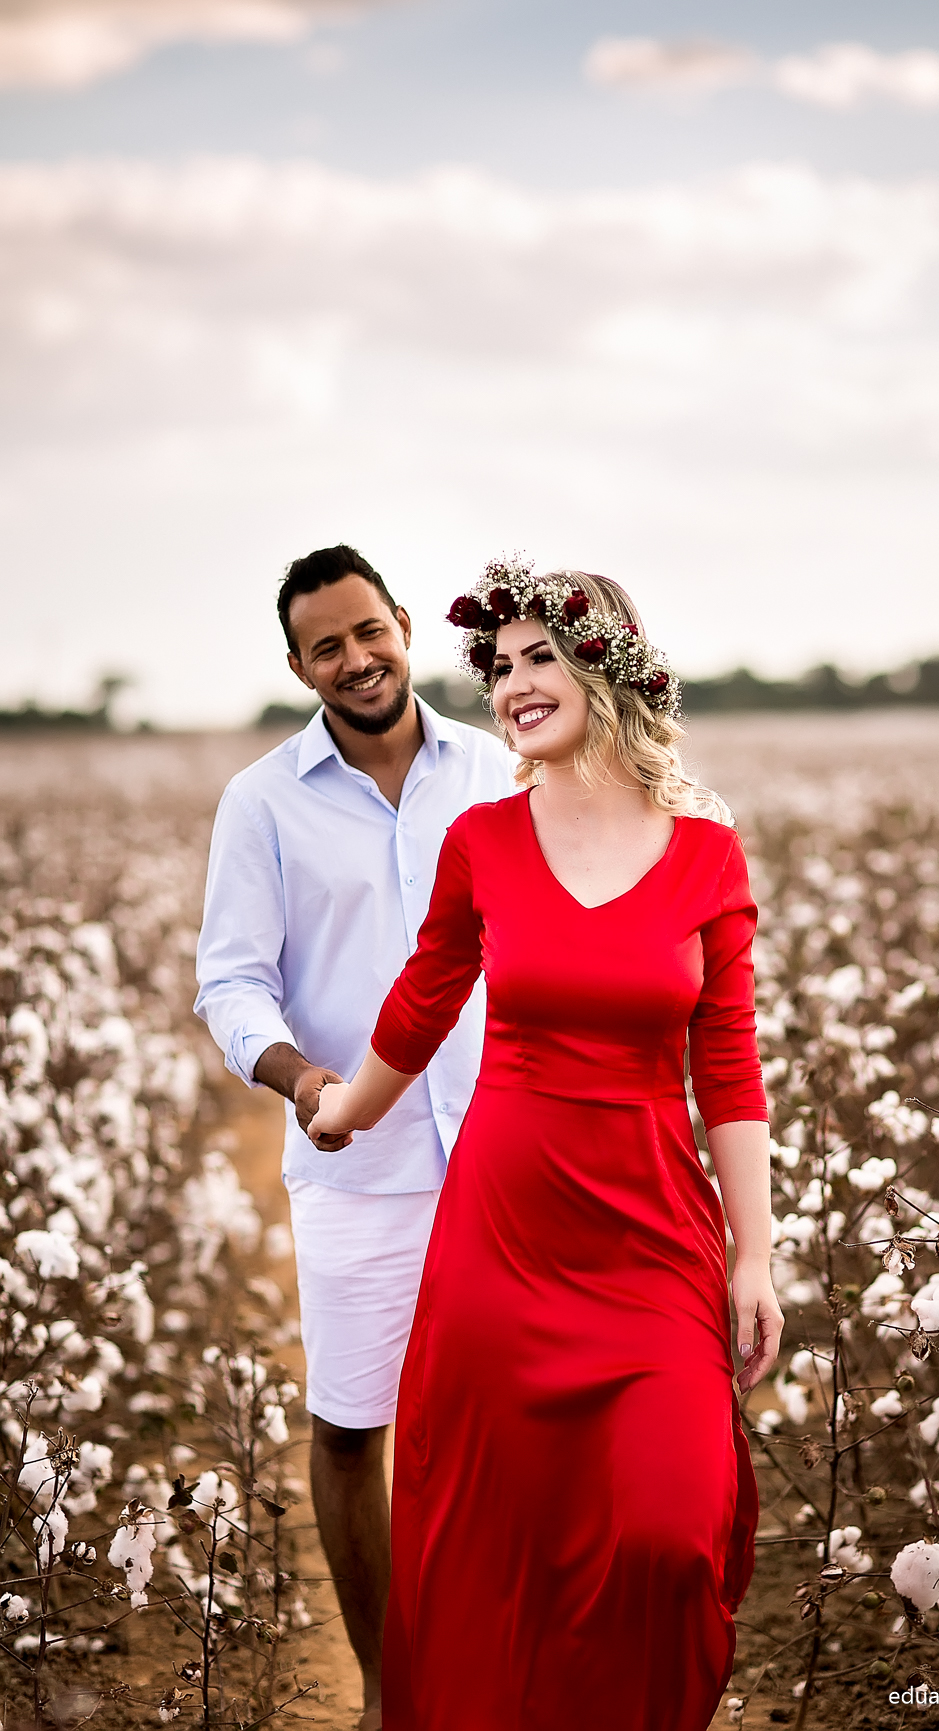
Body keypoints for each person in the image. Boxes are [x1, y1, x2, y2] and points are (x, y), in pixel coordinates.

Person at [307, 557, 784, 1731]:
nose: (513, 685)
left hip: (651, 1237)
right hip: (503, 1238)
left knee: (669, 1537)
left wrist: (754, 1257)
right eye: (500, 666)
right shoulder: (482, 841)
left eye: (540, 658)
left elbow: (726, 1070)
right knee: (487, 1541)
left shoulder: (705, 855)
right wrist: (346, 1108)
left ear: (604, 668)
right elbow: (425, 997)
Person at [194, 545, 514, 1730]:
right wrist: (294, 1076)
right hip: (352, 1155)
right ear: (298, 666)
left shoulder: (496, 769)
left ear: (404, 629)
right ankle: (390, 1688)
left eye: (367, 631)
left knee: (506, 1422)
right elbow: (230, 982)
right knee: (348, 1422)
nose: (355, 658)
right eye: (325, 645)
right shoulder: (262, 800)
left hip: (501, 1146)